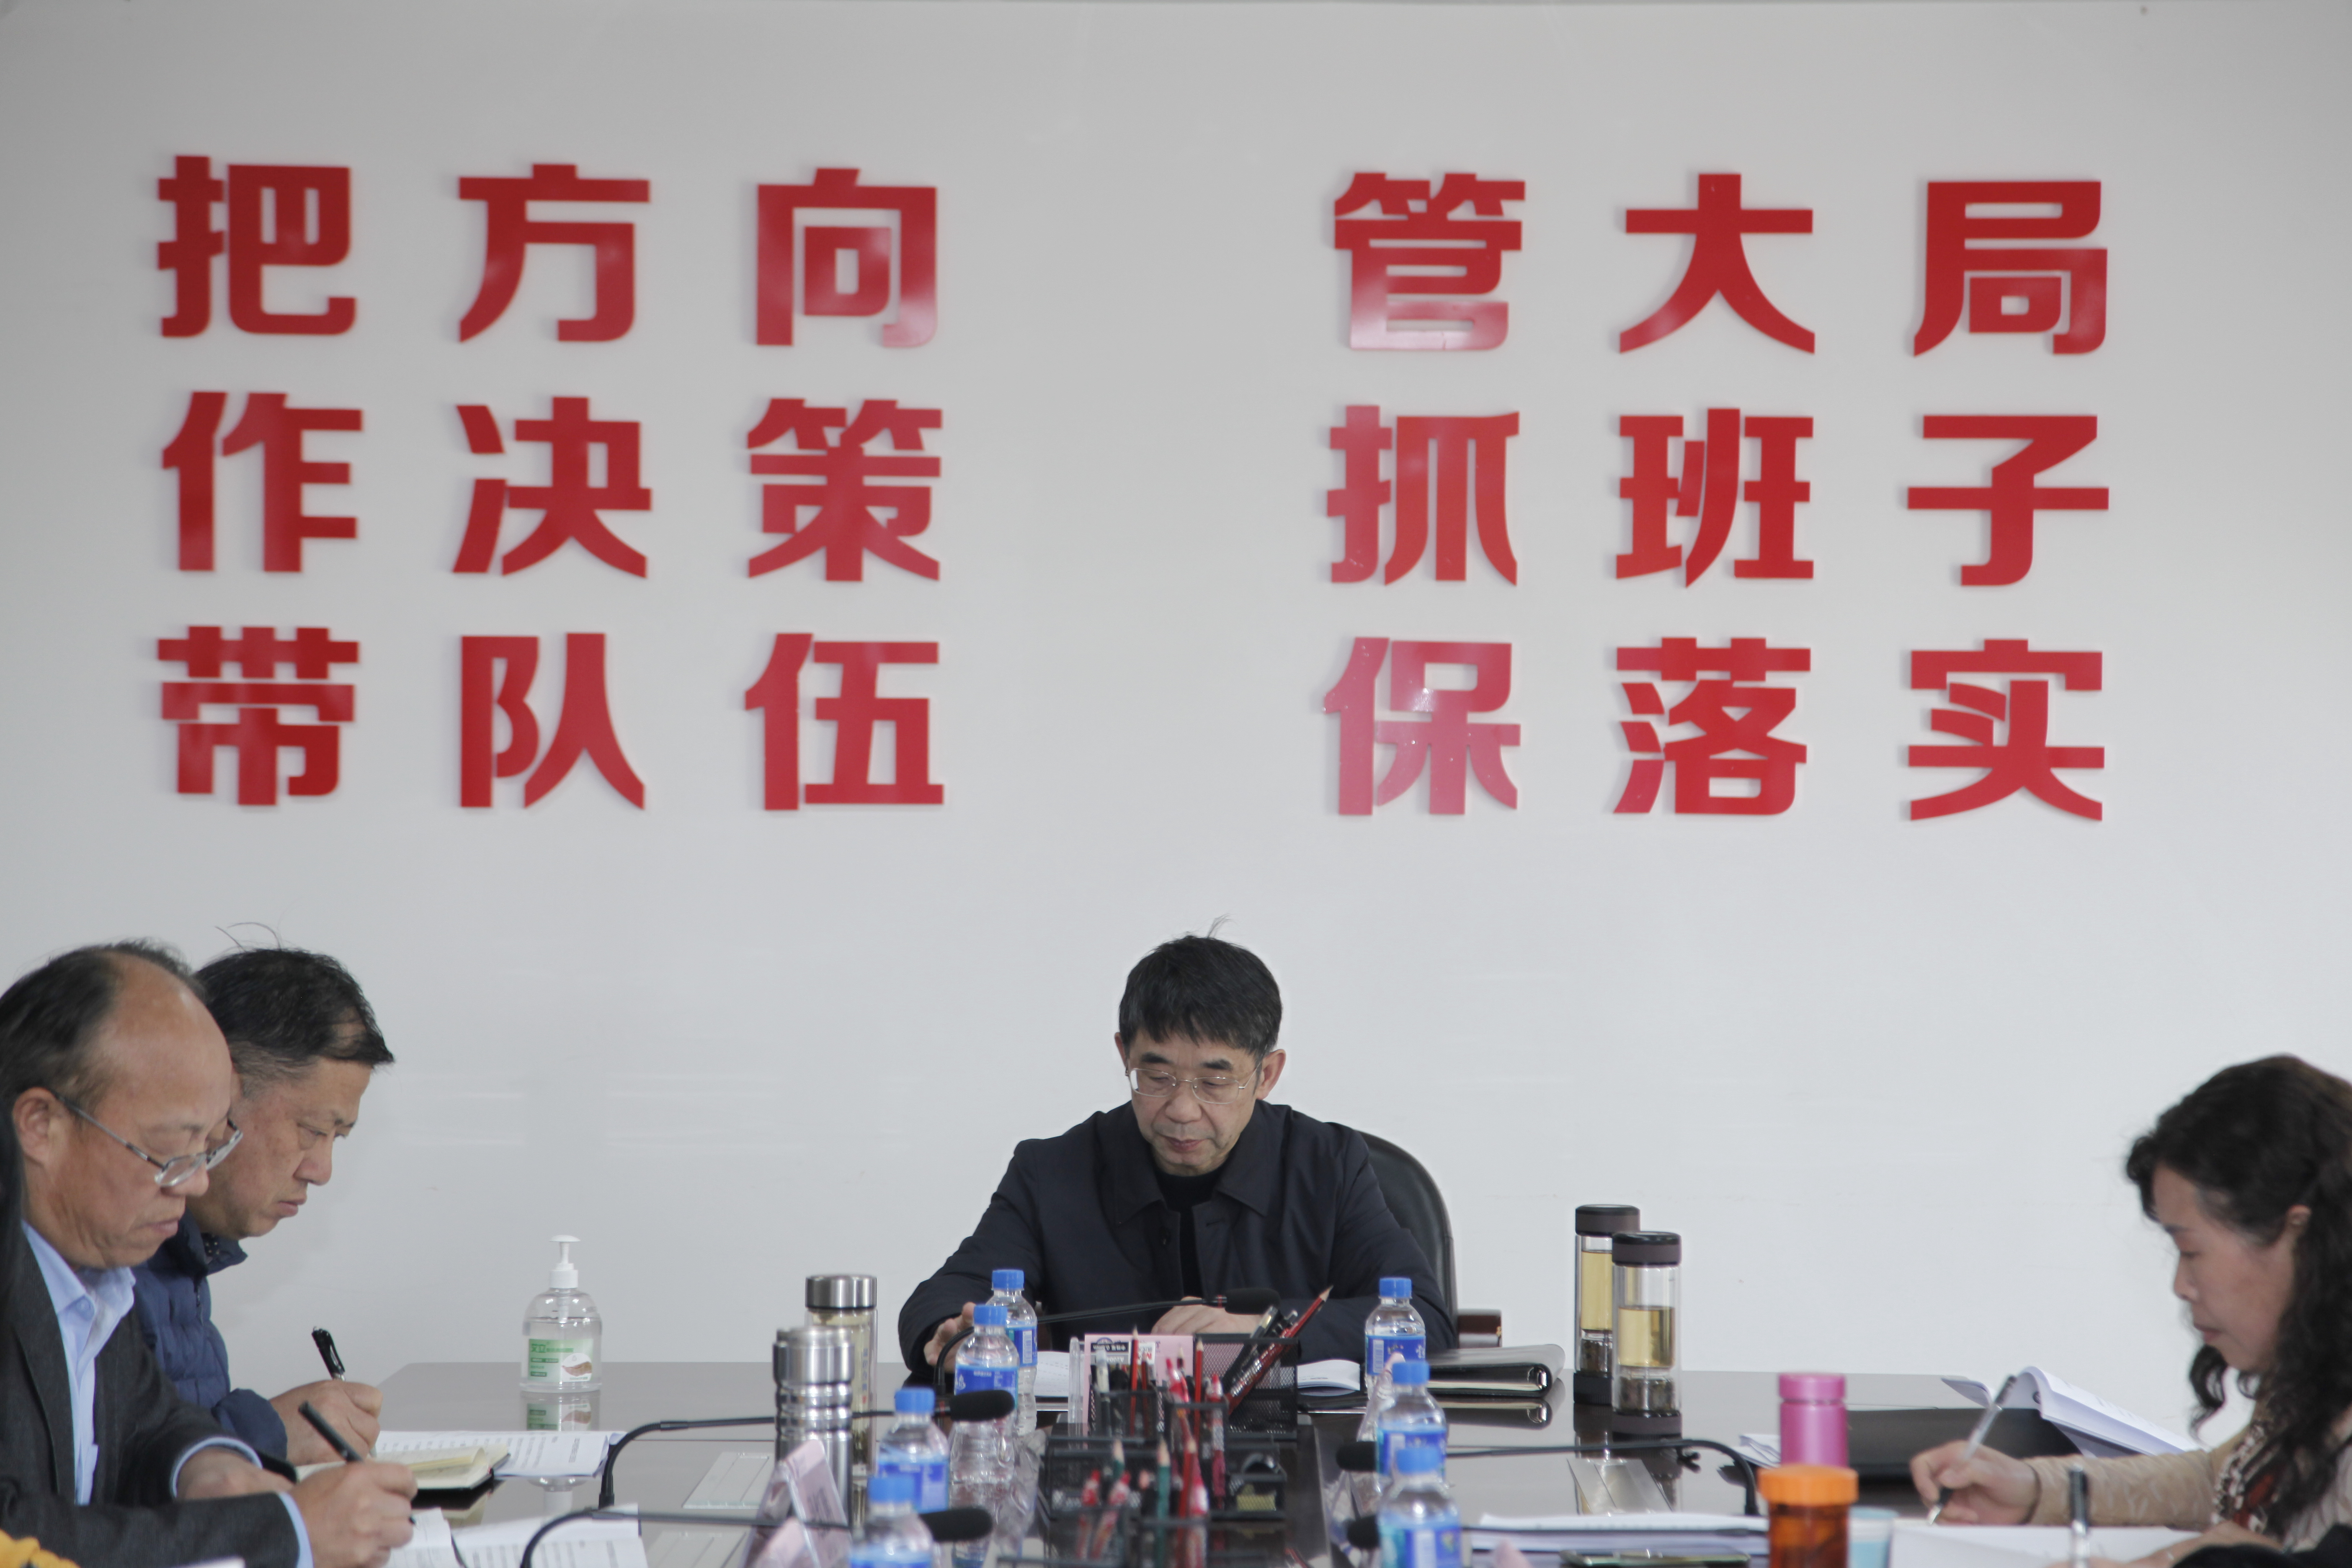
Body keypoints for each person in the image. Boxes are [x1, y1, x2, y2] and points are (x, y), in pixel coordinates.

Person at [0, 941, 415, 1568]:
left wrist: (212, 1466)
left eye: (208, 1149)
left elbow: (148, 1424)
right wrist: (280, 1530)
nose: (196, 1182)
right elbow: (12, 1532)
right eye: (170, 1151)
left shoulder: (91, 1269)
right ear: (40, 1124)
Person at [898, 932, 1454, 1371]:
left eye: (1215, 1082)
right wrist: (951, 1331)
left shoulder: (1327, 1165)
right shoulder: (1052, 1172)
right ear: (1124, 1056)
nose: (1183, 1110)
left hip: (1291, 1455)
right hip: (1108, 1459)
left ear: (1266, 1075)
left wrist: (1264, 1330)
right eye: (1157, 1077)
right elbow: (943, 1296)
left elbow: (1423, 1317)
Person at [1913, 1055, 2352, 1560]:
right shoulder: (2316, 1378)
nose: (2181, 1286)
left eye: (2191, 1251)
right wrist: (2036, 1490)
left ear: (2299, 1238)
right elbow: (2221, 1482)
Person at [134, 946, 394, 1467]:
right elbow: (101, 1485)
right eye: (312, 1130)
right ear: (216, 1093)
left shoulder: (188, 1254)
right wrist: (267, 1433)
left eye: (338, 1138)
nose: (321, 1170)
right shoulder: (111, 1256)